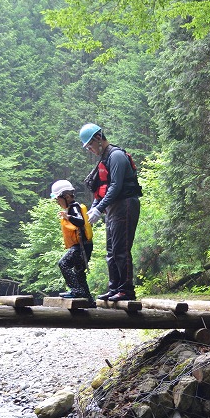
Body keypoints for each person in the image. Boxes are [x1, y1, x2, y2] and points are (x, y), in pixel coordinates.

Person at [79, 123, 142, 302]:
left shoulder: (116, 156)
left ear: (98, 138)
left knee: (121, 249)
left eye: (90, 145)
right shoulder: (104, 158)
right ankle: (114, 288)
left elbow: (116, 186)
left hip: (126, 205)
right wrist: (95, 206)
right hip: (112, 208)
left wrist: (99, 208)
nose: (90, 149)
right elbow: (102, 188)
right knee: (111, 251)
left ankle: (126, 290)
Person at [51, 179, 93, 299]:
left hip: (81, 246)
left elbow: (80, 222)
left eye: (58, 199)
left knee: (63, 263)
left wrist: (68, 216)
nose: (58, 202)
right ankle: (88, 299)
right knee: (79, 273)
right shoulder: (73, 207)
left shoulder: (74, 207)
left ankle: (76, 291)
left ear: (67, 196)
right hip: (85, 245)